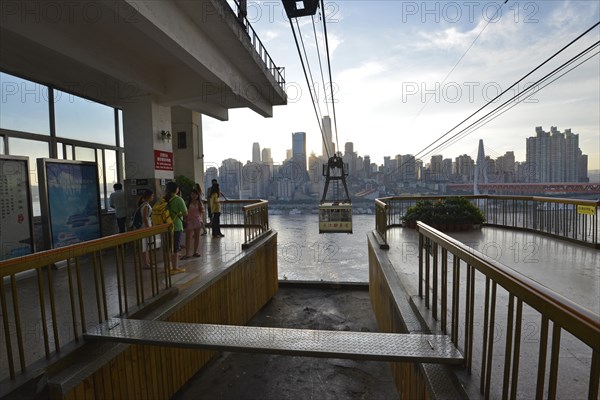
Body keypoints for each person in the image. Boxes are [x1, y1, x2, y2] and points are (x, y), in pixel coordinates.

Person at [164, 181, 187, 274]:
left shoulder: (165, 198)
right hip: (176, 226)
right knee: (175, 247)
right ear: (176, 189)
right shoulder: (178, 199)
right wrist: (178, 214)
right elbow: (185, 213)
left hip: (166, 226)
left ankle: (166, 267)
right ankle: (174, 267)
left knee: (168, 247)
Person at [181, 188, 203, 259]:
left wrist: (201, 220)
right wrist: (185, 219)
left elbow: (201, 213)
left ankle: (195, 251)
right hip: (189, 221)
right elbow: (184, 212)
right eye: (192, 194)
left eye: (195, 194)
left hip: (197, 221)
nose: (194, 196)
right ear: (190, 195)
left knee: (197, 237)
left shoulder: (199, 203)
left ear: (198, 195)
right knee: (188, 237)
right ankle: (187, 253)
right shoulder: (187, 203)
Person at [137, 189, 154, 268]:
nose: (153, 197)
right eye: (152, 196)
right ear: (148, 196)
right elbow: (145, 217)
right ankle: (146, 263)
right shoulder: (146, 205)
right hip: (145, 227)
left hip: (144, 227)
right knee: (145, 246)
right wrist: (148, 227)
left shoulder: (144, 204)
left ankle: (148, 261)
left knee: (146, 246)